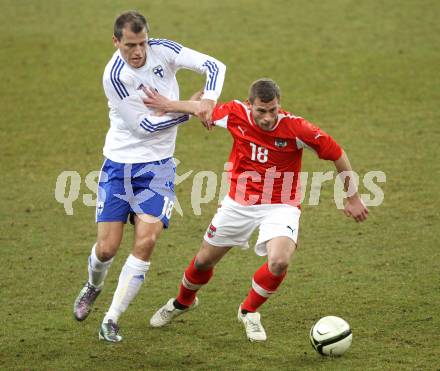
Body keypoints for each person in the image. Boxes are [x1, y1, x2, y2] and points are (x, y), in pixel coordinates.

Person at [142, 78, 368, 342]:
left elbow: (337, 154)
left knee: (279, 261)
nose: (268, 117)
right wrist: (183, 103)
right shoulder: (234, 113)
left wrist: (352, 197)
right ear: (250, 105)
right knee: (203, 261)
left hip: (281, 204)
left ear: (279, 105)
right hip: (239, 202)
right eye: (261, 111)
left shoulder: (297, 128)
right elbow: (200, 109)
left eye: (273, 110)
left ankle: (249, 311)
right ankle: (182, 302)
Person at [72, 10, 226, 343]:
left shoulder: (163, 50)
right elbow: (144, 128)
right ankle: (93, 285)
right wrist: (187, 107)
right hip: (119, 165)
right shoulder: (114, 76)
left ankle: (112, 319)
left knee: (147, 240)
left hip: (157, 168)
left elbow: (215, 66)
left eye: (142, 43)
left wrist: (208, 102)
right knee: (107, 248)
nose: (138, 51)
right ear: (116, 42)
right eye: (130, 45)